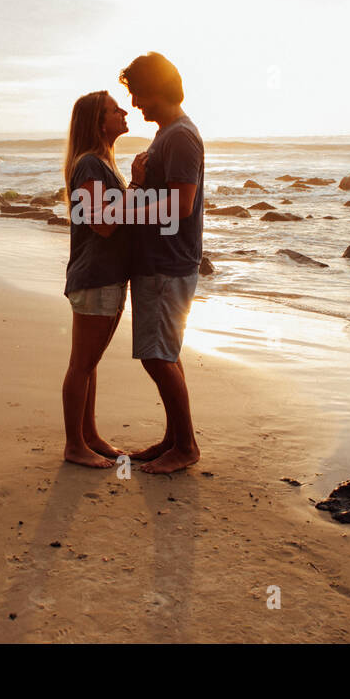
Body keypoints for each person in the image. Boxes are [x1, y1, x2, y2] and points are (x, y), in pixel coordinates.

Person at [119, 52, 204, 474]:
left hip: (167, 262)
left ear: (157, 89)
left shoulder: (180, 137)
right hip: (163, 260)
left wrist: (129, 203)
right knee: (165, 352)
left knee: (156, 356)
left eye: (137, 93)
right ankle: (174, 439)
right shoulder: (169, 134)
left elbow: (182, 204)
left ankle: (186, 446)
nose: (135, 104)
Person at [60, 90, 131, 468]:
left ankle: (89, 435)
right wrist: (136, 187)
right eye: (113, 109)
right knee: (82, 364)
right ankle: (74, 445)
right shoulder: (90, 164)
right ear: (98, 122)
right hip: (95, 276)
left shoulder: (100, 163)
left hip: (105, 275)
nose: (124, 112)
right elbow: (102, 224)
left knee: (90, 362)